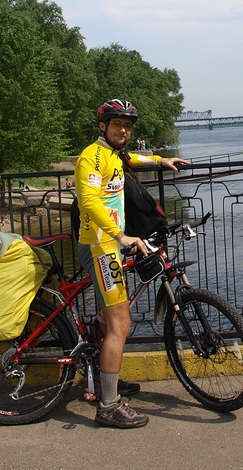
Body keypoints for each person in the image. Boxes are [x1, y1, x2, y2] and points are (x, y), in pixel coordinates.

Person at [74, 98, 190, 428]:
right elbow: (89, 202)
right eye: (117, 124)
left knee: (110, 316)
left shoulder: (116, 155)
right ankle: (108, 406)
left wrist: (161, 160)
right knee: (121, 324)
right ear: (103, 126)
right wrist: (120, 236)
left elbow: (134, 159)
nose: (123, 130)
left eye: (127, 126)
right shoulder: (91, 157)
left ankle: (103, 375)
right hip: (100, 246)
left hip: (111, 244)